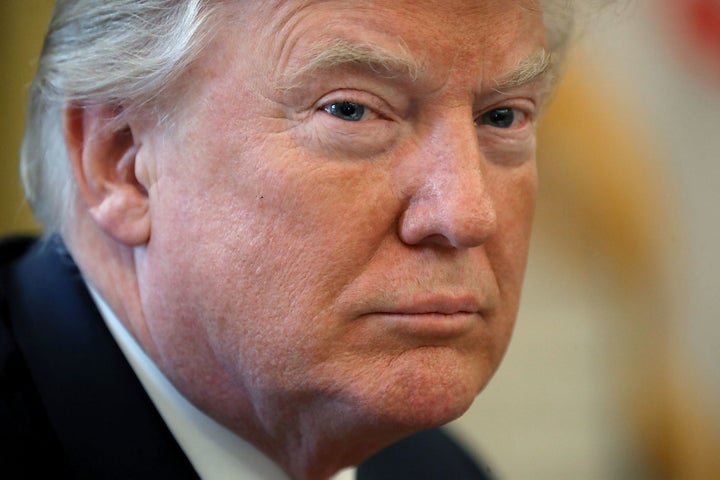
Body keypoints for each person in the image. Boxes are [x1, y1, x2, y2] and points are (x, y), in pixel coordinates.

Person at [0, 1, 576, 478]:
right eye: (351, 110)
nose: (467, 215)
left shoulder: (434, 469)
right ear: (121, 162)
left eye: (502, 118)